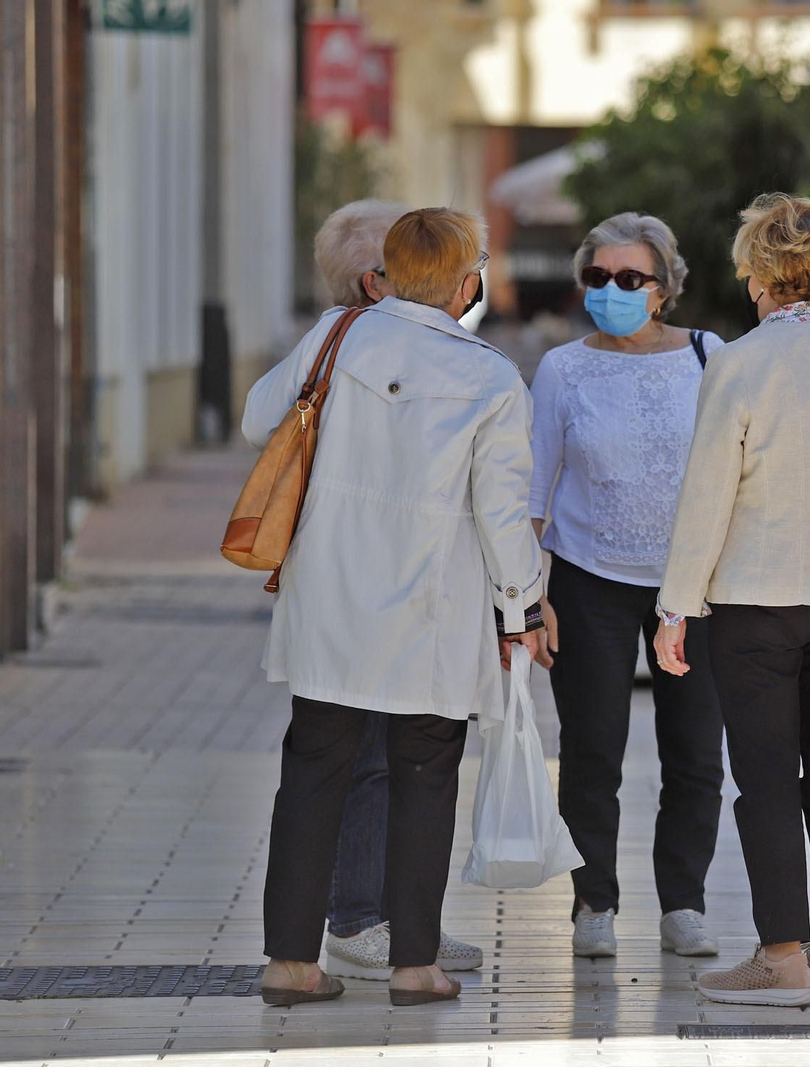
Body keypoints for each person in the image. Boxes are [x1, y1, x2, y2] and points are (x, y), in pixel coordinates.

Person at [244, 208, 546, 1007]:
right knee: (423, 775)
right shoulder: (488, 376)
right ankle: (415, 965)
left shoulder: (338, 338)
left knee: (312, 772)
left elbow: (255, 418)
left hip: (330, 604)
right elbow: (504, 513)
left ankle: (289, 963)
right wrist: (523, 611)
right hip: (432, 614)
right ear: (464, 282)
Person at [652, 193, 810, 1007]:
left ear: (761, 275)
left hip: (756, 602)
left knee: (766, 778)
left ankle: (780, 956)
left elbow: (708, 494)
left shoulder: (738, 362)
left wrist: (675, 605)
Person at [529, 212, 726, 960]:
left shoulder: (712, 359)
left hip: (695, 584)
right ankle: (595, 902)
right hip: (588, 578)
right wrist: (532, 592)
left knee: (696, 751)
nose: (611, 291)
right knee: (590, 749)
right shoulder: (562, 369)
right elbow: (534, 489)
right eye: (597, 278)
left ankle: (684, 903)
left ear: (665, 288)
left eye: (629, 279)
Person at [301, 200, 485, 983]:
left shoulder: (351, 344)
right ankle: (366, 921)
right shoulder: (355, 342)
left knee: (357, 757)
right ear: (377, 279)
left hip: (345, 591)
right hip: (387, 591)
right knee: (381, 761)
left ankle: (384, 928)